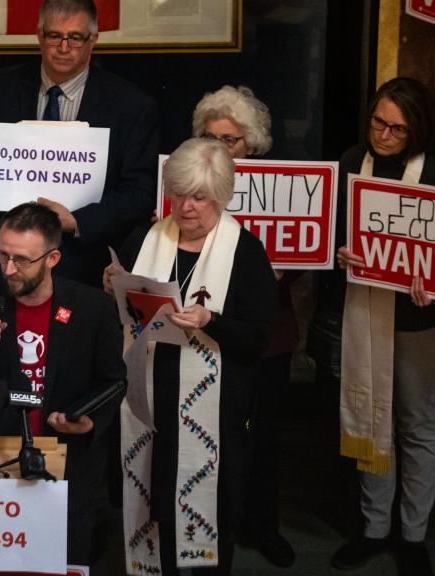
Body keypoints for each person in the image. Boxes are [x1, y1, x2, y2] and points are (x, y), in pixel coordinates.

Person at [106, 138, 277, 575]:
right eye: (178, 194)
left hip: (214, 413)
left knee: (209, 512)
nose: (185, 207)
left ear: (220, 195)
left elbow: (259, 336)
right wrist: (112, 285)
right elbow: (123, 307)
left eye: (198, 197)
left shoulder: (246, 252)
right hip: (150, 400)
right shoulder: (145, 238)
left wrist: (210, 319)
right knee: (154, 499)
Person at [0, 202, 125, 565]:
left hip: (67, 468)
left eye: (22, 259)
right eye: (2, 255)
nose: (9, 269)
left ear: (52, 258)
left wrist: (88, 422)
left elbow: (113, 382)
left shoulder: (92, 308)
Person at [0, 0, 159, 285]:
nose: (64, 47)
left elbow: (140, 193)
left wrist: (78, 221)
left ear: (93, 40)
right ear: (39, 36)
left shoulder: (131, 106)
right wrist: (2, 185)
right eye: (54, 36)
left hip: (84, 262)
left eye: (75, 37)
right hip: (7, 259)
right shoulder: (2, 86)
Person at [331, 77, 435, 576]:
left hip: (418, 317)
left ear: (415, 131)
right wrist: (339, 253)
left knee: (415, 425)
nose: (385, 136)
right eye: (379, 122)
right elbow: (332, 233)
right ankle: (375, 529)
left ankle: (413, 534)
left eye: (397, 128)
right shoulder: (353, 161)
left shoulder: (433, 169)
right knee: (370, 415)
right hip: (365, 305)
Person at [193, 85, 297, 567]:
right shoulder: (195, 188)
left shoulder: (279, 186)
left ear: (251, 144)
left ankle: (263, 526)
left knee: (263, 434)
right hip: (206, 334)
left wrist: (284, 267)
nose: (220, 146)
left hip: (265, 334)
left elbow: (302, 243)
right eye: (211, 136)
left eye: (230, 139)